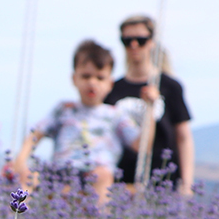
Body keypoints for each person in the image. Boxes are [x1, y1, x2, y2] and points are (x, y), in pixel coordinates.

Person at [10, 39, 138, 206]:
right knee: (27, 180)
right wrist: (20, 162)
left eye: (100, 78)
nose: (92, 82)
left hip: (96, 174)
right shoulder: (64, 109)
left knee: (103, 176)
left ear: (110, 84)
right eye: (86, 76)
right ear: (74, 78)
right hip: (60, 173)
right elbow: (37, 133)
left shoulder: (115, 114)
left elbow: (140, 144)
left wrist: (150, 109)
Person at [107, 14, 194, 196]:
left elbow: (183, 137)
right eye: (127, 40)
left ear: (152, 42)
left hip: (164, 182)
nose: (134, 45)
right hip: (122, 183)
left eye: (141, 40)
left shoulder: (170, 86)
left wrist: (187, 184)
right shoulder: (112, 89)